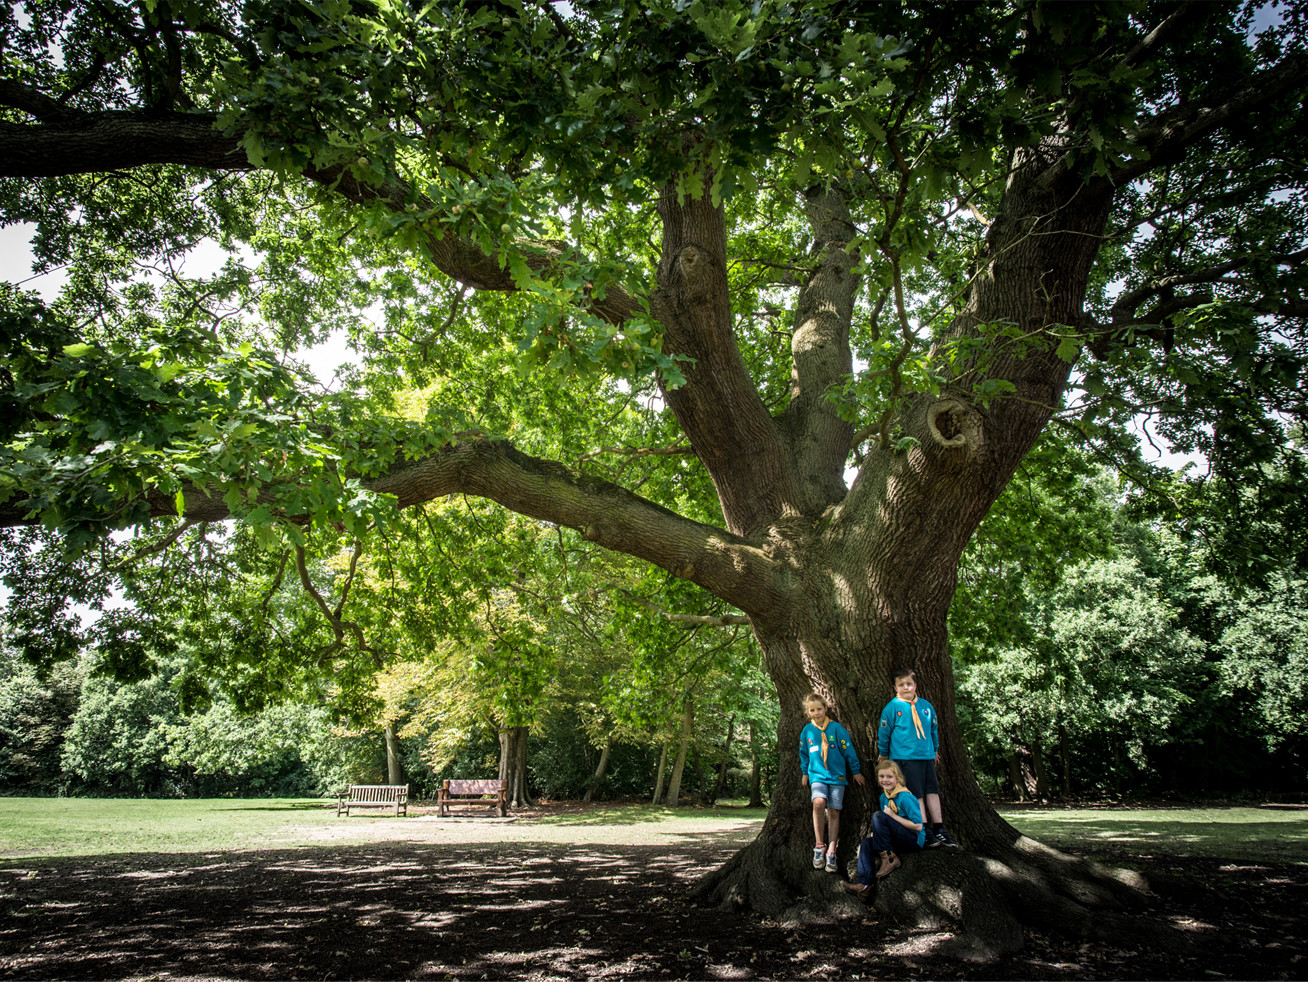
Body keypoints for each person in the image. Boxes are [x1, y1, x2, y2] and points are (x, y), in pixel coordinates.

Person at [876, 667, 958, 848]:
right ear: (895, 687)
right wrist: (883, 754)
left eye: (909, 684)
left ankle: (939, 828)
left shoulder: (926, 706)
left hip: (926, 756)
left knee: (932, 791)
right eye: (901, 685)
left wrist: (935, 749)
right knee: (916, 794)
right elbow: (884, 733)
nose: (906, 688)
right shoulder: (892, 708)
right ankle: (924, 829)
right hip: (905, 757)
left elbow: (933, 730)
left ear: (915, 685)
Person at [799, 692, 866, 873]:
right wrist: (805, 772)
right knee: (819, 803)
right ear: (808, 712)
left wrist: (856, 771)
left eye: (819, 709)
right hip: (817, 776)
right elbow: (804, 753)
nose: (816, 713)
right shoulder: (807, 731)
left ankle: (832, 850)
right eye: (812, 710)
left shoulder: (836, 729)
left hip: (837, 777)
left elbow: (848, 750)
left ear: (826, 709)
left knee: (835, 811)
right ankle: (819, 845)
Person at [842, 759, 925, 900]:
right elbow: (885, 823)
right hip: (895, 839)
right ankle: (865, 886)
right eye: (882, 777)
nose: (885, 780)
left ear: (897, 778)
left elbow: (918, 826)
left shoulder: (905, 797)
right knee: (866, 844)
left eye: (889, 777)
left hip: (912, 839)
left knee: (879, 815)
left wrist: (893, 816)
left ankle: (890, 859)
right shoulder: (884, 797)